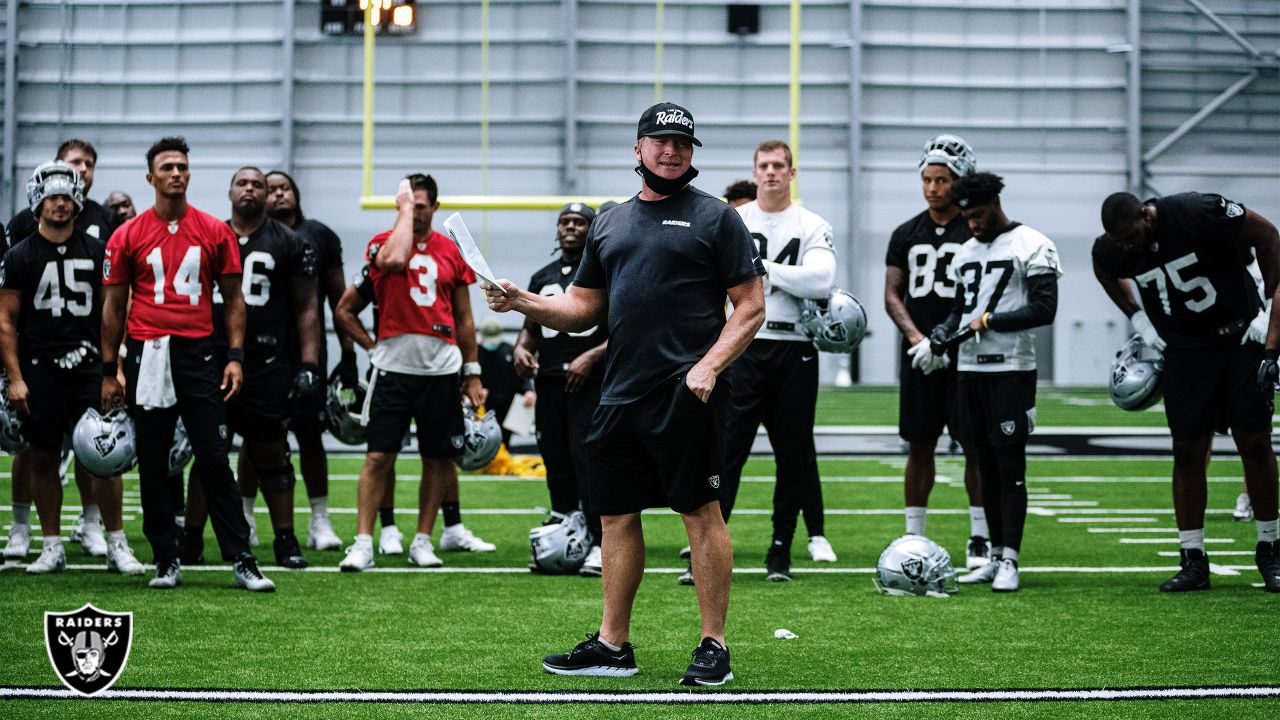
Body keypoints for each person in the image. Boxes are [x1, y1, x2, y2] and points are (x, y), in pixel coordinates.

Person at [485, 102, 766, 686]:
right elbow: (584, 308)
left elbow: (751, 306)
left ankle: (713, 643)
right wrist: (523, 303)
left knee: (700, 514)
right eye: (659, 141)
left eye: (683, 143)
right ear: (637, 149)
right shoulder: (610, 221)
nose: (672, 151)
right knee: (615, 518)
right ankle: (614, 644)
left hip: (686, 393)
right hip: (618, 397)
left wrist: (708, 368)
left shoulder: (717, 218)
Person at [100, 136, 274, 592]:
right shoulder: (128, 234)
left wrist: (234, 357)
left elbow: (234, 299)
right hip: (148, 351)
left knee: (214, 456)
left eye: (182, 166)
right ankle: (165, 558)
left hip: (199, 352)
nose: (176, 173)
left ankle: (241, 557)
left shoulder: (214, 230)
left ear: (189, 175)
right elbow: (114, 305)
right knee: (155, 459)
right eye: (167, 167)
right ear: (151, 177)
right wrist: (109, 367)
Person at [1094, 190, 1280, 593]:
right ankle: (1192, 558)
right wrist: (1138, 318)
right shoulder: (1114, 248)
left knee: (1254, 441)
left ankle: (1271, 549)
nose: (1127, 246)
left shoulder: (1195, 211)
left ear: (1146, 215)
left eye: (1131, 237)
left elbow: (1267, 234)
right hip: (1186, 352)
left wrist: (1267, 309)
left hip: (1239, 337)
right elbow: (1104, 268)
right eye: (1119, 241)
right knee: (1187, 449)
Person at [334, 173, 491, 571]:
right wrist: (372, 348)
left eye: (422, 206)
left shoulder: (451, 253)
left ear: (435, 208)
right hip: (393, 368)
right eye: (410, 205)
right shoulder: (381, 246)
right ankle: (364, 541)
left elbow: (464, 317)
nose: (416, 212)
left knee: (437, 458)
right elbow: (344, 309)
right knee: (377, 456)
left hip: (441, 368)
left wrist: (472, 372)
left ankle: (423, 539)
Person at [0, 162, 144, 575]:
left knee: (102, 454)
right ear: (37, 201)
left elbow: (115, 312)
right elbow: (5, 320)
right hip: (40, 366)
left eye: (66, 196)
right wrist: (15, 377)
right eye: (52, 197)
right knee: (43, 456)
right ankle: (50, 545)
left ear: (78, 199)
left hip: (88, 366)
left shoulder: (100, 251)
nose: (60, 204)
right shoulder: (19, 254)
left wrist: (113, 368)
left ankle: (115, 542)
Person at [180, 167, 322, 569]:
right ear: (229, 191)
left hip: (268, 362)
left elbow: (307, 309)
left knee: (272, 453)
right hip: (214, 359)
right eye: (242, 183)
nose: (250, 190)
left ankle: (285, 540)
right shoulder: (209, 237)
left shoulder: (290, 243)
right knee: (209, 453)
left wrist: (309, 364)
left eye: (257, 185)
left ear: (266, 194)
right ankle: (191, 539)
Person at [933, 172, 1061, 593]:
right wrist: (942, 330)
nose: (971, 223)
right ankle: (992, 554)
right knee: (982, 466)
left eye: (978, 214)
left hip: (1011, 369)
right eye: (966, 216)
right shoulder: (966, 250)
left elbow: (1044, 309)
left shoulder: (1032, 244)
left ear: (996, 205)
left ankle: (1012, 558)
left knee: (1010, 468)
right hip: (969, 371)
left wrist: (990, 321)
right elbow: (959, 308)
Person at [716, 140, 836, 584]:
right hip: (744, 346)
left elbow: (822, 279)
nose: (770, 172)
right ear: (754, 170)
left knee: (793, 455)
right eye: (763, 166)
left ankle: (780, 548)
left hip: (794, 347)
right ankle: (709, 547)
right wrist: (782, 276)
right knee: (728, 453)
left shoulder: (811, 223)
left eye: (778, 166)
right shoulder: (735, 220)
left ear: (791, 172)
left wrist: (760, 268)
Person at [883, 134, 989, 568]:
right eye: (927, 179)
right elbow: (892, 294)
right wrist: (917, 339)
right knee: (919, 443)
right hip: (921, 355)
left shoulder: (977, 228)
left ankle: (979, 537)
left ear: (958, 180)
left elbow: (984, 294)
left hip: (968, 355)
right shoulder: (906, 232)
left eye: (941, 179)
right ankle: (915, 535)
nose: (932, 187)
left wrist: (950, 340)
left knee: (975, 446)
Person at [254, 169, 353, 552]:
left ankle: (319, 519)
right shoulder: (249, 235)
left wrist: (347, 354)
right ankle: (246, 517)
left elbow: (339, 299)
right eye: (271, 188)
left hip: (308, 351)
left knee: (311, 435)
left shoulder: (320, 235)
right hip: (262, 352)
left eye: (285, 188)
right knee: (257, 437)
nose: (279, 194)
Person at [513, 202, 608, 577]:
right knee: (556, 462)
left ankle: (601, 543)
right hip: (549, 382)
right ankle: (566, 537)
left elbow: (624, 330)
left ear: (592, 229)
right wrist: (522, 349)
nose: (570, 227)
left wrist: (590, 358)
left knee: (589, 462)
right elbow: (531, 328)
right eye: (564, 222)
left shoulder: (604, 270)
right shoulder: (542, 276)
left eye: (579, 222)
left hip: (592, 383)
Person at [477, 318, 534, 450]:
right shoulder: (475, 353)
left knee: (504, 442)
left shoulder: (510, 351)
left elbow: (521, 376)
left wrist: (528, 391)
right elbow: (465, 378)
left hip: (507, 406)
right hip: (483, 407)